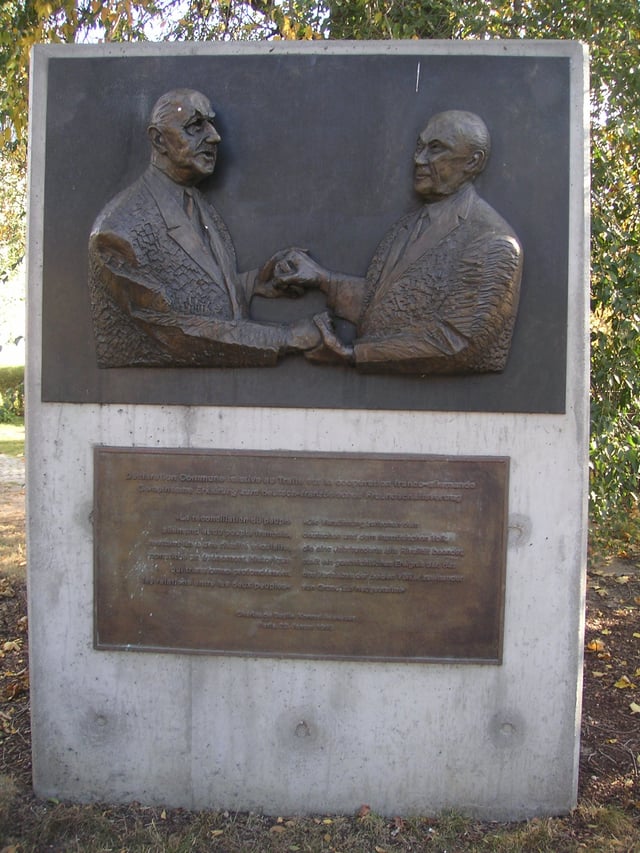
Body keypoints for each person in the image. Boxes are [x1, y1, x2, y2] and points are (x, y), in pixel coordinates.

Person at [272, 110, 523, 374]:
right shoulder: (407, 226)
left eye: (436, 149)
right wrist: (323, 280)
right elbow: (389, 309)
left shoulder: (493, 242)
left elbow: (459, 344)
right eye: (419, 146)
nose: (418, 159)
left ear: (474, 162)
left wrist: (352, 354)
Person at [88, 88, 322, 368]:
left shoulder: (197, 203)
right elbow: (172, 331)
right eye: (195, 126)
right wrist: (286, 337)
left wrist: (256, 283)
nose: (214, 136)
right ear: (158, 139)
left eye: (210, 124)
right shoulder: (118, 230)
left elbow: (192, 290)